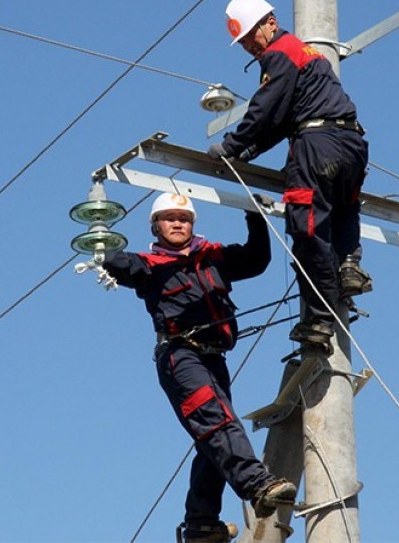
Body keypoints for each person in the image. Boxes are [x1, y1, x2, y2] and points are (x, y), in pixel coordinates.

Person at [102, 192, 296, 543]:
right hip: (180, 356)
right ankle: (256, 484)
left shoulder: (213, 257)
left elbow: (256, 259)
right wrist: (101, 232)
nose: (178, 223)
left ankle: (202, 524)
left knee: (213, 438)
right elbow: (117, 264)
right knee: (216, 420)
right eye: (170, 218)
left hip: (214, 358)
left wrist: (253, 213)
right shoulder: (149, 265)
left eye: (185, 218)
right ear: (156, 225)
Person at [208, 0, 373, 349]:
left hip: (316, 146)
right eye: (244, 42)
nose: (250, 46)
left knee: (306, 229)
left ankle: (319, 318)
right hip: (352, 145)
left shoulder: (279, 54)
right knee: (342, 209)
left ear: (270, 21)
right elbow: (282, 118)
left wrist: (233, 146)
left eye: (252, 36)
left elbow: (266, 110)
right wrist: (250, 150)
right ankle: (349, 266)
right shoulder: (306, 55)